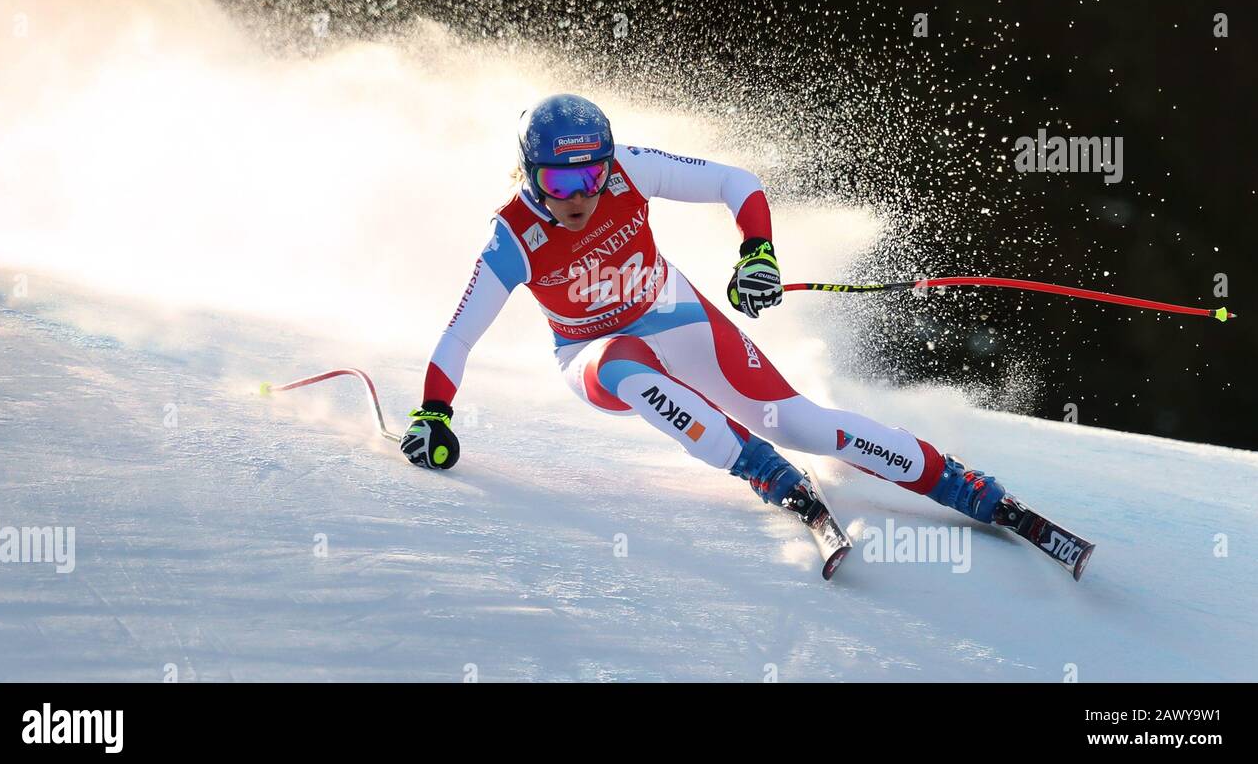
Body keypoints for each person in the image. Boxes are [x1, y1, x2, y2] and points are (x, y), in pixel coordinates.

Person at [400, 93, 1005, 527]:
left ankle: (956, 483)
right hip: (590, 348)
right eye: (560, 184)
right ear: (529, 177)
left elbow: (736, 183)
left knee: (797, 422)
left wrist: (758, 254)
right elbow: (457, 338)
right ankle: (761, 469)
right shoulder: (511, 239)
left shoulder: (627, 171)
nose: (581, 195)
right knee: (622, 365)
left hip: (671, 307)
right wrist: (433, 414)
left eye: (592, 175)